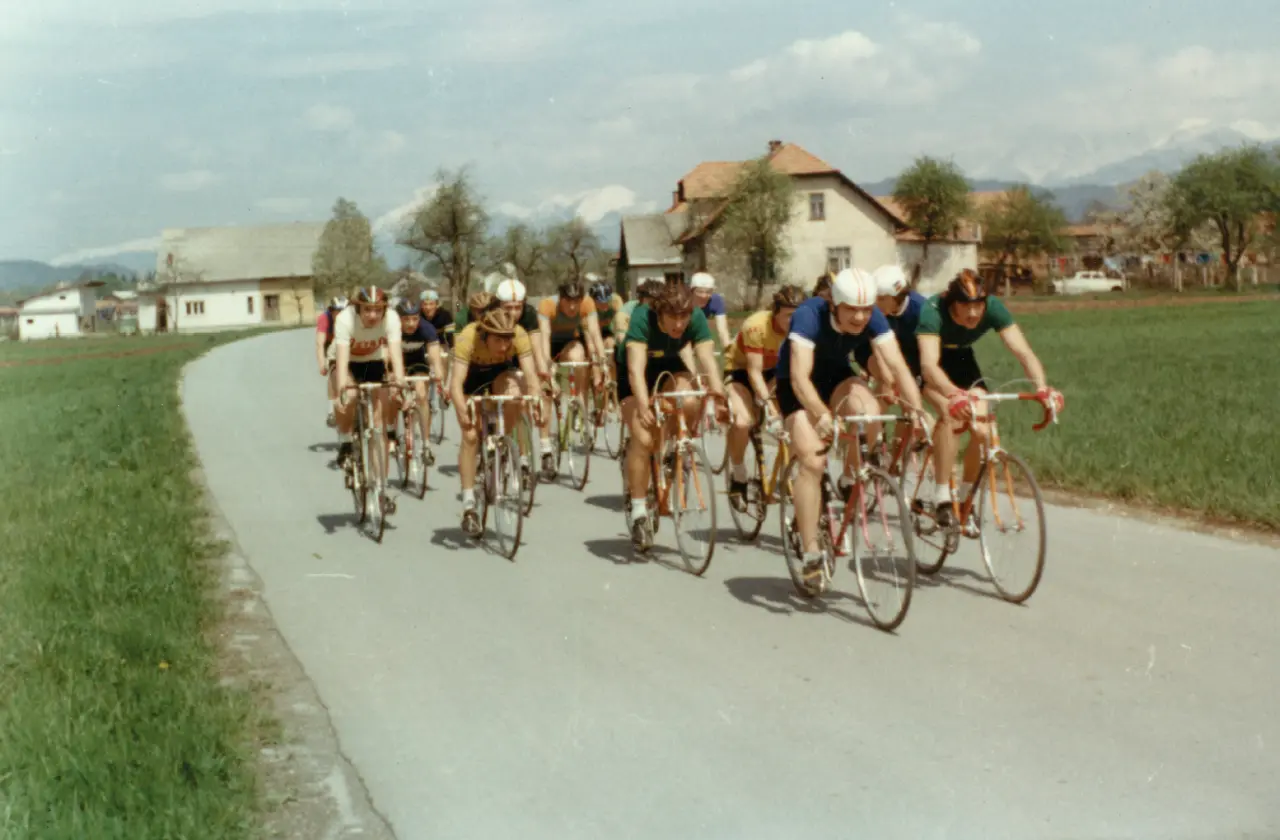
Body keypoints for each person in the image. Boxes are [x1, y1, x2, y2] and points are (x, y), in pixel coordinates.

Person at [773, 268, 925, 581]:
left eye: (866, 310)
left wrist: (917, 410)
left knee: (869, 413)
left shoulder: (873, 317)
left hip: (836, 376)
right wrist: (820, 414)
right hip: (797, 384)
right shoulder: (808, 315)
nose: (859, 318)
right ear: (834, 305)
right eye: (852, 310)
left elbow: (898, 366)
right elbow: (800, 378)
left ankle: (849, 478)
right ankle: (811, 552)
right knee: (813, 461)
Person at [916, 269, 1064, 526]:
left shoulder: (994, 308)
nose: (973, 313)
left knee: (982, 427)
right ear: (952, 303)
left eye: (978, 305)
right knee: (951, 416)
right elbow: (929, 366)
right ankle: (941, 496)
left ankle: (965, 498)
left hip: (962, 358)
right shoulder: (933, 311)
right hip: (928, 360)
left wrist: (1042, 388)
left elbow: (1023, 352)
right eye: (965, 306)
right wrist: (954, 395)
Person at [618, 282, 727, 550]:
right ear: (660, 313)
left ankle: (673, 448)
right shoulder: (642, 317)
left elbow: (707, 359)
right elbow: (635, 370)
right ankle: (639, 510)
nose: (679, 324)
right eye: (672, 317)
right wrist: (643, 405)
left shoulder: (696, 316)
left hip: (669, 363)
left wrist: (718, 394)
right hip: (636, 372)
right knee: (644, 438)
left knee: (689, 399)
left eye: (684, 317)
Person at [450, 307, 542, 537]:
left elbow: (531, 377)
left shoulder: (519, 334)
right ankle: (469, 504)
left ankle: (502, 443)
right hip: (472, 377)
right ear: (485, 335)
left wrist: (535, 400)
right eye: (498, 340)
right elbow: (456, 384)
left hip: (501, 374)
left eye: (507, 340)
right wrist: (462, 410)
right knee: (470, 436)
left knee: (515, 393)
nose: (503, 346)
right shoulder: (468, 337)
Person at [724, 284, 806, 509]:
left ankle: (787, 474)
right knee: (742, 422)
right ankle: (738, 475)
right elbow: (753, 372)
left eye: (798, 315)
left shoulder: (804, 328)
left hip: (777, 373)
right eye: (788, 316)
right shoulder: (757, 325)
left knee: (797, 420)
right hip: (742, 370)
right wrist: (769, 406)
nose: (794, 321)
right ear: (775, 312)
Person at [333, 287, 407, 513]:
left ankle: (381, 489)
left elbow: (396, 355)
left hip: (373, 362)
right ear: (358, 309)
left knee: (379, 426)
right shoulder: (345, 319)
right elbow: (342, 361)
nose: (373, 315)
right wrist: (342, 388)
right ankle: (346, 441)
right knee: (349, 396)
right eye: (367, 310)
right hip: (348, 362)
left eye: (377, 310)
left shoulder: (392, 318)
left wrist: (400, 383)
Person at [536, 279, 607, 475]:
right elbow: (543, 338)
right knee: (546, 392)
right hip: (548, 345)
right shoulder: (547, 305)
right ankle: (545, 448)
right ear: (561, 299)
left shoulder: (587, 304)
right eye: (568, 302)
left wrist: (602, 361)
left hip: (568, 342)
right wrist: (548, 368)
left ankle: (578, 402)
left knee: (579, 358)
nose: (573, 307)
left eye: (577, 301)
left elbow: (595, 333)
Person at [394, 298, 448, 459]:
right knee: (393, 395)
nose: (411, 323)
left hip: (418, 363)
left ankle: (426, 444)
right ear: (399, 319)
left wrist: (438, 373)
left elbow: (434, 356)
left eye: (415, 319)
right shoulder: (392, 328)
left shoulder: (426, 328)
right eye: (406, 319)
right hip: (396, 363)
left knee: (422, 395)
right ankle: (392, 432)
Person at [315, 295, 348, 426]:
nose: (340, 315)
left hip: (347, 344)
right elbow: (320, 343)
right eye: (337, 311)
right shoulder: (324, 319)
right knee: (333, 371)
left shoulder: (352, 319)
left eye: (343, 311)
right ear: (331, 311)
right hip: (330, 345)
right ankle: (331, 410)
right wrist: (322, 364)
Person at [689, 271, 732, 348]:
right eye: (700, 292)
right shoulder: (684, 301)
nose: (704, 296)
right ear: (692, 291)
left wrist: (728, 349)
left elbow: (722, 330)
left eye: (708, 292)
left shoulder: (716, 300)